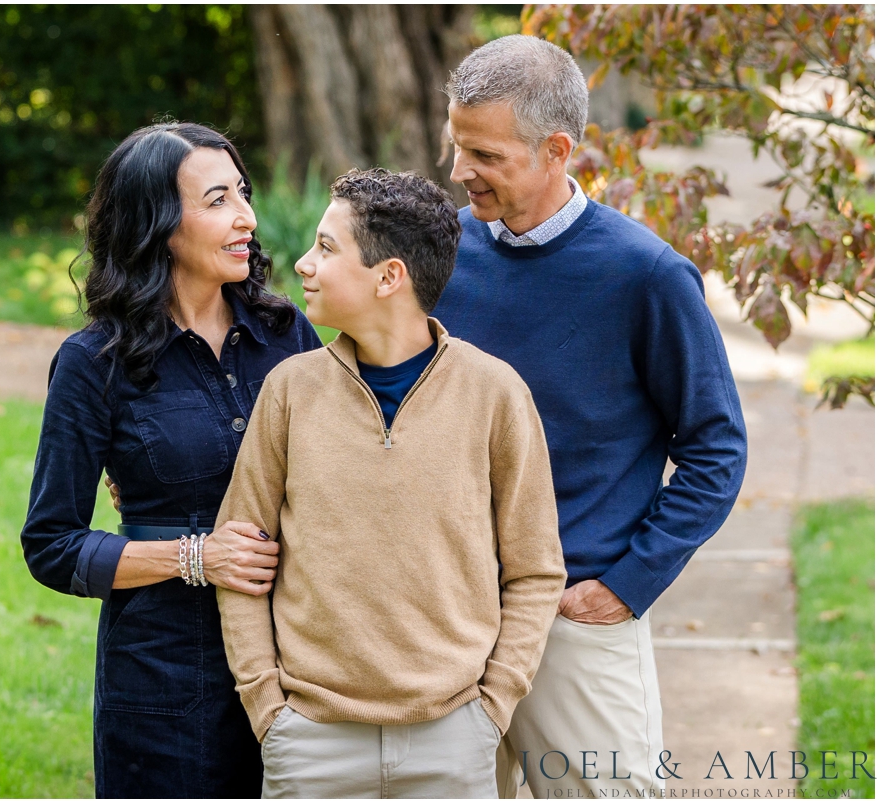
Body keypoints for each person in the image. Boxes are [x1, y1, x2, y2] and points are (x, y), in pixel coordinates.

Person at [432, 35, 749, 797]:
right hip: (444, 620)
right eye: (455, 146)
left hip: (575, 622)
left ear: (556, 150)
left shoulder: (647, 276)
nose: (457, 172)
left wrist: (631, 580)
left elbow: (716, 446)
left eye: (484, 154)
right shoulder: (440, 257)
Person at [214, 168, 567, 798]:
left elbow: (535, 570)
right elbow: (239, 553)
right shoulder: (289, 391)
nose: (303, 263)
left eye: (326, 248)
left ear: (388, 277)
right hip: (311, 741)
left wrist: (493, 706)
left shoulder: (495, 394)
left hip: (454, 739)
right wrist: (268, 709)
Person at [20, 122, 322, 798]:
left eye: (243, 193)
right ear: (158, 224)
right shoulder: (94, 362)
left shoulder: (284, 332)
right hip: (163, 683)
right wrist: (196, 555)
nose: (246, 217)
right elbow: (51, 544)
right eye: (217, 201)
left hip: (299, 665)